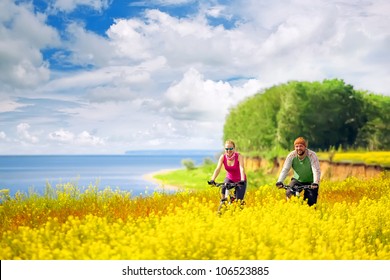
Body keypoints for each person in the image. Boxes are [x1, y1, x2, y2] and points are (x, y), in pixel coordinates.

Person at [276, 137, 321, 206]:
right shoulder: (291, 156)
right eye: (296, 146)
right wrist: (280, 181)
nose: (298, 148)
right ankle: (295, 210)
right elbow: (285, 169)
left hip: (311, 182)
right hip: (297, 180)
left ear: (305, 147)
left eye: (301, 146)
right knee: (289, 192)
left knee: (311, 201)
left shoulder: (312, 155)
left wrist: (315, 182)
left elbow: (316, 170)